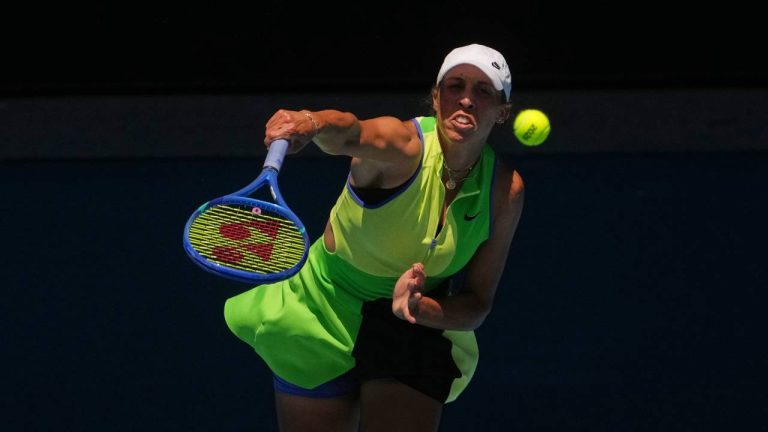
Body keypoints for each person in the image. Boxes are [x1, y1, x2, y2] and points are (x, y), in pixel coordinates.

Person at [224, 43, 525, 432]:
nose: (466, 99)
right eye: (455, 86)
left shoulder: (505, 191)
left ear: (503, 112)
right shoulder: (402, 146)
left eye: (484, 91)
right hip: (320, 312)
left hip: (411, 329)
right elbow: (351, 131)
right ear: (436, 97)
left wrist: (421, 308)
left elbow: (478, 304)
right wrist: (312, 122)